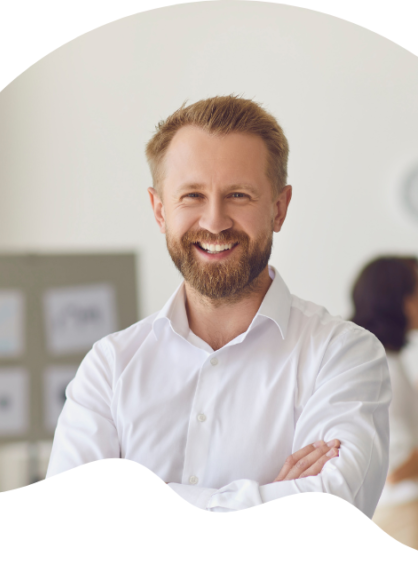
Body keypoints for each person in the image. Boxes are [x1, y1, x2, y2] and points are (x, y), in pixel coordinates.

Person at [47, 95, 390, 516]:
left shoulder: (344, 356)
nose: (214, 221)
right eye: (192, 195)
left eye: (239, 195)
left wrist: (133, 503)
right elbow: (65, 525)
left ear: (279, 208)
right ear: (159, 211)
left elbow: (328, 518)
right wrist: (269, 507)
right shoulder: (110, 367)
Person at [351, 257, 418, 546]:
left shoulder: (385, 360)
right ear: (397, 301)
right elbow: (395, 470)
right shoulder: (382, 367)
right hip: (400, 512)